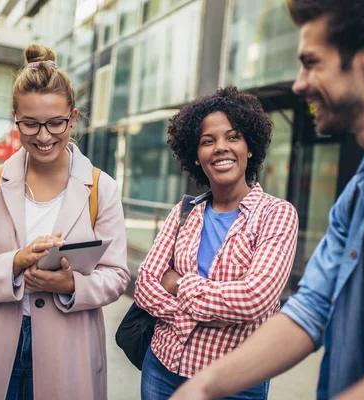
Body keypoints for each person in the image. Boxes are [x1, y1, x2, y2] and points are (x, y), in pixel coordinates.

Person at [172, 0, 364, 399]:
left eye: (311, 63)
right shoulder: (359, 192)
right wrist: (202, 387)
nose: (299, 83)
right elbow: (310, 310)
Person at [0, 44, 130, 400]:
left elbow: (117, 275)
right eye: (30, 123)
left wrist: (71, 284)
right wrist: (15, 262)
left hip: (68, 356)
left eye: (56, 123)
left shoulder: (102, 188)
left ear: (73, 118)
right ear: (15, 118)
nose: (43, 136)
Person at [134, 86, 299, 400]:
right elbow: (144, 285)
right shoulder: (184, 212)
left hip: (236, 382)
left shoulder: (277, 215)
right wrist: (218, 308)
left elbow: (253, 299)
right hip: (162, 370)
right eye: (207, 141)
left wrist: (179, 284)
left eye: (233, 137)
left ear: (250, 148)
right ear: (196, 156)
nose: (220, 148)